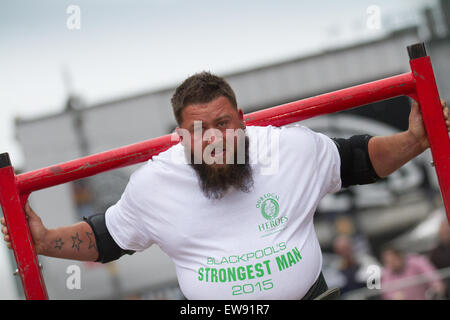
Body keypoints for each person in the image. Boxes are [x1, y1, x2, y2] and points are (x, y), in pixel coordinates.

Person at [2, 72, 450, 300]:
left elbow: (359, 159)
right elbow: (105, 238)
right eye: (199, 131)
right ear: (181, 137)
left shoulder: (290, 150)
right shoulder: (155, 185)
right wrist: (41, 241)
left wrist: (413, 140)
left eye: (223, 124)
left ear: (241, 119)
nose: (213, 140)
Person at [381, 246, 446, 300]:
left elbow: (431, 275)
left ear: (399, 256)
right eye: (388, 262)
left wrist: (436, 285)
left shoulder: (416, 261)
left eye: (393, 260)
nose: (392, 264)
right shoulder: (386, 273)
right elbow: (386, 292)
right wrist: (393, 297)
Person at [429, 219, 450, 298]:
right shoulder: (435, 252)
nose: (445, 234)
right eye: (443, 232)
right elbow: (431, 269)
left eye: (447, 231)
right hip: (445, 284)